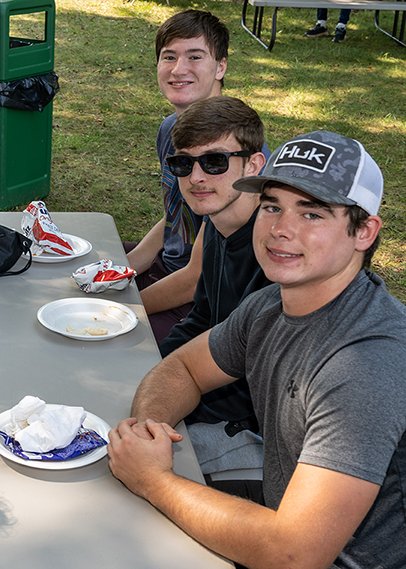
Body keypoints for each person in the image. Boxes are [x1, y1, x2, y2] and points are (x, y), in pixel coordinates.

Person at [108, 130, 406, 568]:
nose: (281, 230)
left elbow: (294, 554)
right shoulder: (271, 303)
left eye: (312, 214)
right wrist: (149, 431)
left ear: (364, 232)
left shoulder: (366, 362)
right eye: (272, 207)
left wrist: (152, 478)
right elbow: (185, 370)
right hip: (277, 515)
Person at [157, 96, 272, 477]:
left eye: (215, 161)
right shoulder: (219, 224)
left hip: (253, 433)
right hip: (207, 396)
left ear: (254, 165)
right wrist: (151, 368)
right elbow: (202, 317)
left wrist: (165, 399)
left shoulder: (276, 251)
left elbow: (253, 386)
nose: (197, 177)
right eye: (183, 164)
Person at [123, 10, 228, 344]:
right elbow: (176, 212)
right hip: (167, 267)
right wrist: (127, 265)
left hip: (204, 304)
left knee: (103, 343)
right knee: (66, 276)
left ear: (220, 67)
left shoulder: (232, 152)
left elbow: (197, 277)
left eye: (194, 57)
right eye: (169, 57)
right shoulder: (171, 129)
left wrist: (124, 305)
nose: (179, 69)